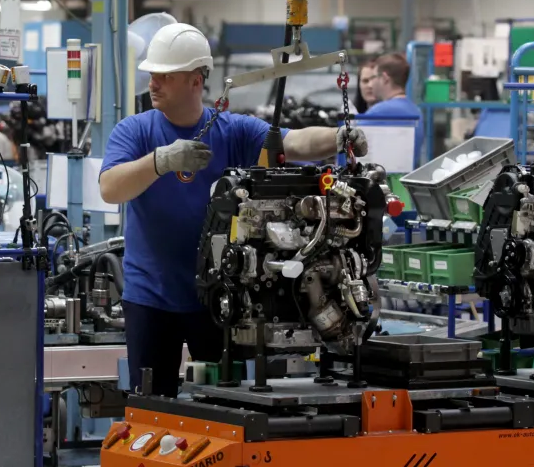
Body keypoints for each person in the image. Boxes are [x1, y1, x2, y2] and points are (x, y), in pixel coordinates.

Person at [98, 23, 369, 397]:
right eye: (152, 74)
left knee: (226, 402)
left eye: (165, 75)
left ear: (196, 80)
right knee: (151, 402)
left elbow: (292, 142)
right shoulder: (135, 131)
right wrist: (160, 161)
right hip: (151, 297)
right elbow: (110, 188)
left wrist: (336, 137)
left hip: (219, 296)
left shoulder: (233, 130)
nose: (153, 83)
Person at [362, 53, 424, 163]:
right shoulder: (415, 111)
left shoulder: (380, 111)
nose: (370, 84)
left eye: (374, 77)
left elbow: (349, 144)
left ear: (385, 78)